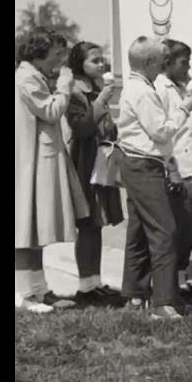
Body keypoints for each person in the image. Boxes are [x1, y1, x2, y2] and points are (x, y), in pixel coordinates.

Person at [116, 36, 192, 320]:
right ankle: (164, 302)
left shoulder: (138, 87)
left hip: (136, 162)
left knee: (139, 231)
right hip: (144, 164)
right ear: (150, 63)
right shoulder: (142, 91)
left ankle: (135, 295)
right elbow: (161, 132)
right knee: (165, 231)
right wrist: (184, 108)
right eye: (161, 61)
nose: (164, 65)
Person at [15, 27, 90, 313]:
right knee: (25, 229)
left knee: (36, 230)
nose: (60, 61)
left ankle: (39, 289)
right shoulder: (26, 79)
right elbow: (50, 111)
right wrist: (65, 84)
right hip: (28, 162)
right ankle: (24, 294)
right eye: (57, 54)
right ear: (39, 52)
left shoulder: (34, 75)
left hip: (36, 159)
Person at [153, 39, 192, 305]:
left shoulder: (181, 87)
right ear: (167, 63)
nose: (187, 67)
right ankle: (175, 279)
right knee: (188, 219)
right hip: (181, 164)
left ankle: (180, 274)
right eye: (184, 62)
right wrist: (172, 169)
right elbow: (166, 131)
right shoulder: (161, 89)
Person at [64, 41, 125, 306]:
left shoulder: (96, 88)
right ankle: (85, 285)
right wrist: (101, 102)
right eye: (95, 61)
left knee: (97, 224)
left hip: (101, 162)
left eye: (103, 60)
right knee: (87, 224)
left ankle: (95, 281)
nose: (101, 65)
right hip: (84, 163)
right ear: (80, 63)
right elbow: (82, 128)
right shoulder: (74, 91)